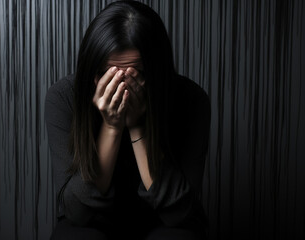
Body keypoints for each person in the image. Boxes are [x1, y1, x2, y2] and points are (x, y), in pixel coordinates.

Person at [45, 1, 211, 239]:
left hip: (162, 221)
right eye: (110, 75)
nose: (122, 89)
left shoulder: (191, 100)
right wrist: (111, 126)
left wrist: (137, 126)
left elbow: (179, 213)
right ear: (93, 71)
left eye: (135, 76)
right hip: (94, 222)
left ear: (157, 72)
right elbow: (77, 213)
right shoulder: (64, 97)